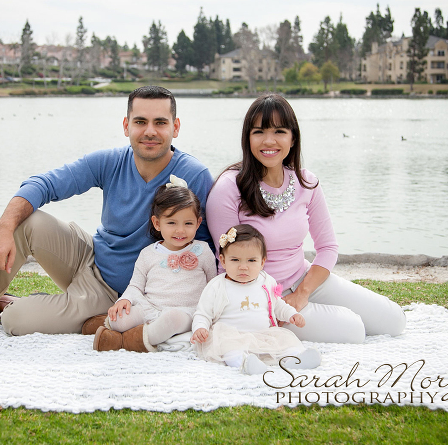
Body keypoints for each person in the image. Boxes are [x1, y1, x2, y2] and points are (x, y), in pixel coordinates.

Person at [0, 86, 213, 336]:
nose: (150, 131)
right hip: (91, 255)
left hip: (119, 291)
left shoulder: (195, 174)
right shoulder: (110, 161)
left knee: (14, 321)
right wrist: (2, 229)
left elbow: (205, 249)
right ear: (126, 126)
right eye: (141, 121)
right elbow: (44, 183)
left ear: (175, 127)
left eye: (160, 122)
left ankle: (23, 306)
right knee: (27, 221)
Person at [205, 94, 405, 344]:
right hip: (259, 296)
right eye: (259, 132)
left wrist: (303, 292)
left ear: (293, 137)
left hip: (304, 278)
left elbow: (328, 247)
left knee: (394, 320)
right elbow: (227, 266)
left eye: (279, 131)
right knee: (354, 329)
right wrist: (269, 306)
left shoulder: (306, 182)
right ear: (247, 138)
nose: (269, 141)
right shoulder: (228, 189)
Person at [93, 176, 217, 352]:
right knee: (117, 319)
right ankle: (114, 326)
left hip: (186, 311)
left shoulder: (203, 251)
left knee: (172, 320)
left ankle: (127, 341)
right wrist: (125, 299)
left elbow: (213, 285)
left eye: (188, 223)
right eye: (171, 223)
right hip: (150, 307)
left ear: (198, 223)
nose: (180, 230)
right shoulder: (148, 253)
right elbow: (135, 285)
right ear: (157, 223)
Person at [191, 225, 321, 375]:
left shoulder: (266, 281)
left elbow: (278, 304)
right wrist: (200, 328)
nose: (243, 267)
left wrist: (291, 314)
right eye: (235, 260)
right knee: (230, 350)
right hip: (232, 336)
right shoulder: (217, 286)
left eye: (251, 260)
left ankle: (296, 359)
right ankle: (245, 363)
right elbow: (203, 313)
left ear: (262, 262)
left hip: (263, 334)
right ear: (223, 261)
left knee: (285, 342)